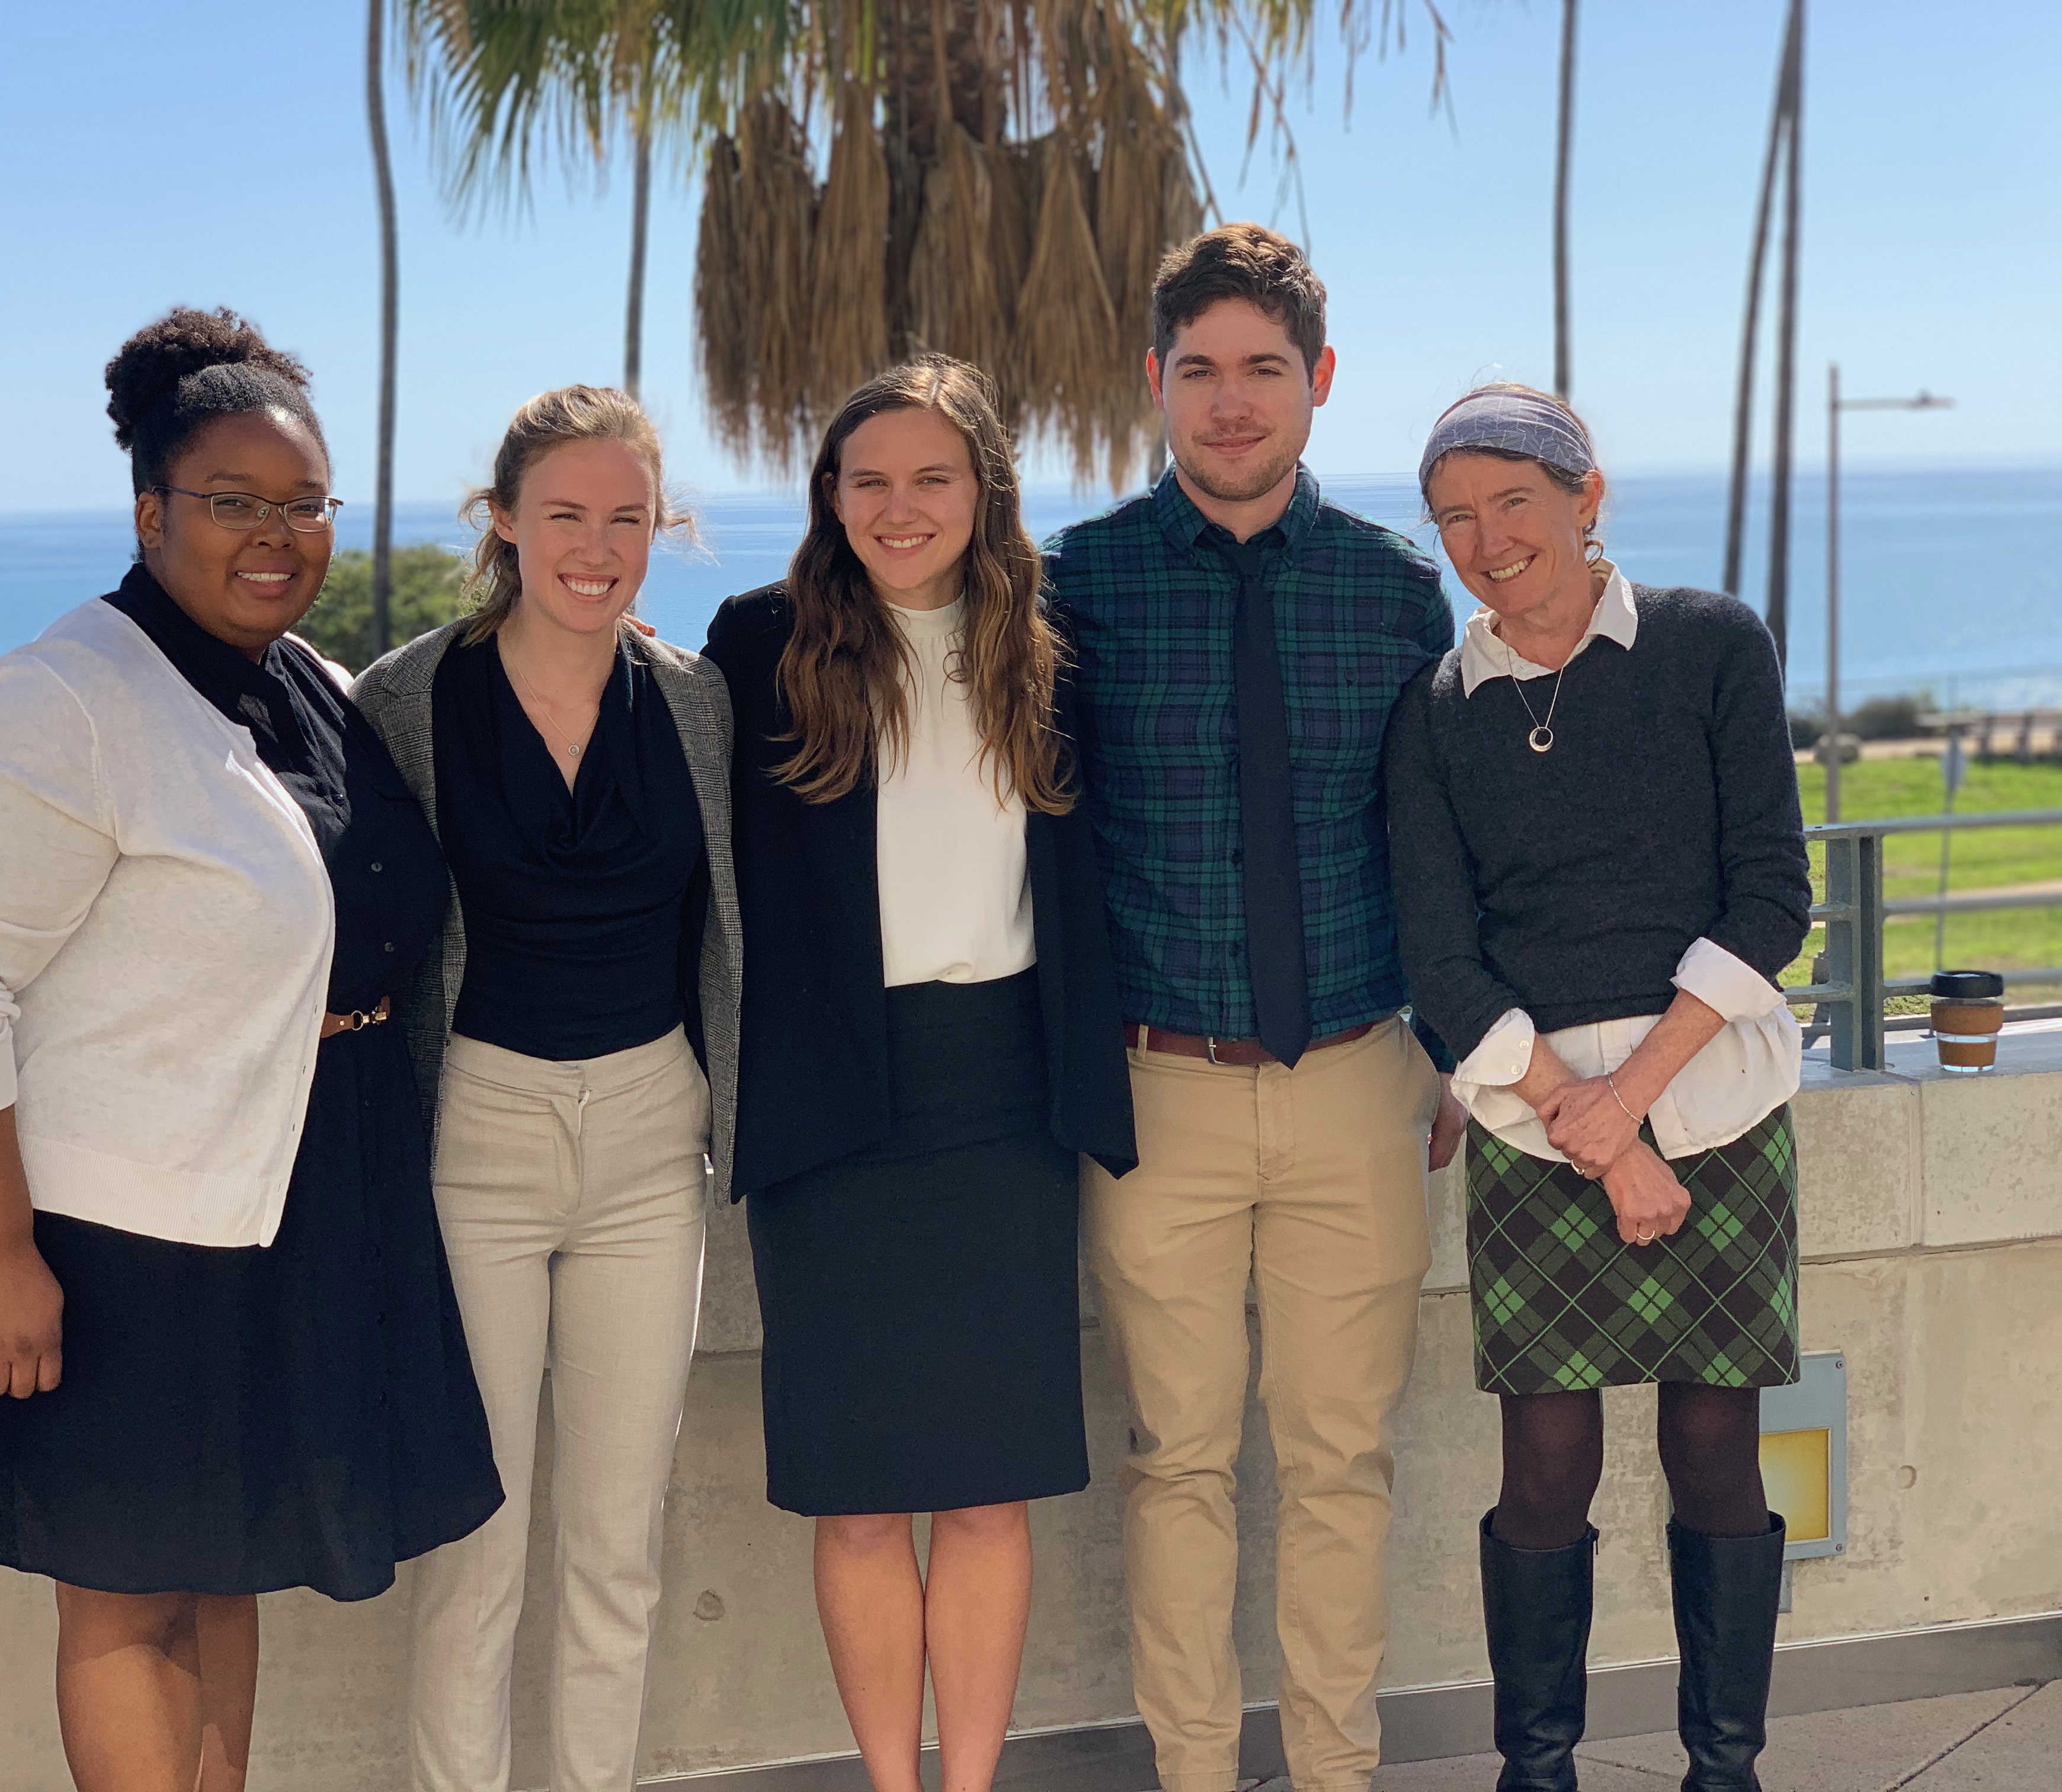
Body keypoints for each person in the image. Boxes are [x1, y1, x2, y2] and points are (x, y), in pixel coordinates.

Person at [0, 308, 502, 1792]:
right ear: (151, 511)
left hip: (291, 1204)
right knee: (131, 1600)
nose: (276, 535)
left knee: (225, 1576)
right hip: (118, 1236)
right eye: (232, 503)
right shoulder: (64, 697)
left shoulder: (311, 687)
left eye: (302, 505)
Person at [1044, 223, 1465, 1792]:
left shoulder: (1395, 594)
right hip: (1159, 1094)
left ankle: (1339, 1776)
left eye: (1264, 373)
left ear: (1320, 385)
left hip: (1363, 1080)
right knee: (1180, 1467)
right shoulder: (1073, 587)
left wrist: (1454, 1048)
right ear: (1155, 384)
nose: (1232, 404)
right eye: (1201, 372)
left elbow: (1450, 841)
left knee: (1344, 1467)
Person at [703, 355, 1136, 1792]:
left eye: (931, 478)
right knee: (860, 1499)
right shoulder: (760, 644)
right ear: (831, 496)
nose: (900, 507)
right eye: (868, 478)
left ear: (983, 492)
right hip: (831, 1107)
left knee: (991, 1490)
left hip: (1005, 1099)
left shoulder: (1049, 643)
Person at [1385, 384, 1808, 1792]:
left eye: (1513, 501)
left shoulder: (1709, 646)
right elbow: (1442, 959)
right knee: (1547, 1468)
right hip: (1531, 1113)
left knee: (1717, 1456)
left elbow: (1771, 901)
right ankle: (1540, 1771)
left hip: (1715, 1099)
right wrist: (1586, 1117)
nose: (1486, 540)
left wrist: (1634, 1103)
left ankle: (1724, 1770)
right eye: (1454, 517)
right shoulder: (1436, 713)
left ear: (1587, 498)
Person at [350, 385, 739, 1792]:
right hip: (475, 1140)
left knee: (617, 1552)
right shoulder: (406, 699)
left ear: (661, 530)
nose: (597, 544)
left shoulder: (695, 701)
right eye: (565, 513)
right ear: (505, 521)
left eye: (627, 517)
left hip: (651, 1143)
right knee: (476, 1547)